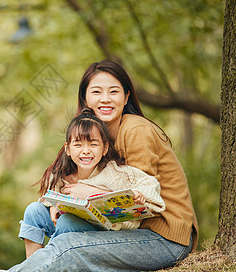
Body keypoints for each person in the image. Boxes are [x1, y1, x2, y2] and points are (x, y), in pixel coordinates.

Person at [3, 59, 198, 271]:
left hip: (162, 237)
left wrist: (89, 192)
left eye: (113, 92)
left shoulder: (135, 130)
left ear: (126, 97)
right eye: (96, 92)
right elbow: (69, 182)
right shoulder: (90, 134)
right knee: (37, 213)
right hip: (120, 227)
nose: (105, 99)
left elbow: (140, 207)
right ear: (85, 99)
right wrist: (60, 203)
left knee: (69, 248)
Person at [19, 108, 165, 258]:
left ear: (104, 148)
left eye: (93, 144)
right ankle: (32, 263)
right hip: (63, 226)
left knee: (67, 221)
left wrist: (138, 194)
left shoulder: (115, 173)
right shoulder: (62, 174)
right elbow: (49, 195)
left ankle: (45, 264)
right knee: (33, 210)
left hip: (97, 233)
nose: (86, 151)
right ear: (67, 149)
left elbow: (150, 184)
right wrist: (52, 206)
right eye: (78, 145)